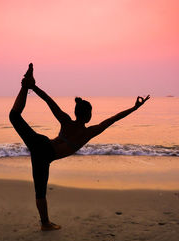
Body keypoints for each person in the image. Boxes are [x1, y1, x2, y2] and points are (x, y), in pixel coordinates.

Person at [9, 63, 150, 231]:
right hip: (44, 153)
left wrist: (34, 87)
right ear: (89, 115)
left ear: (76, 112)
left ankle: (26, 86)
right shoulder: (89, 132)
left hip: (41, 144)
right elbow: (113, 119)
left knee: (14, 116)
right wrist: (135, 108)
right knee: (40, 192)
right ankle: (45, 224)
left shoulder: (67, 121)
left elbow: (49, 101)